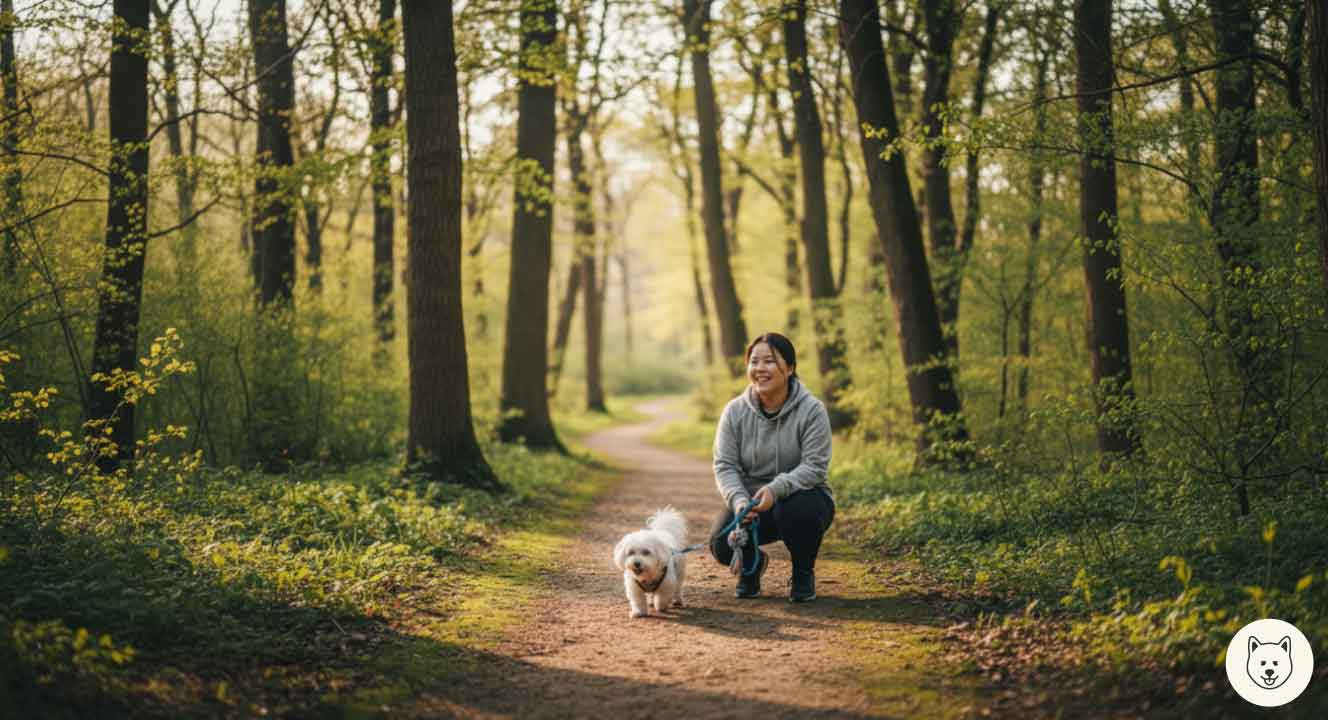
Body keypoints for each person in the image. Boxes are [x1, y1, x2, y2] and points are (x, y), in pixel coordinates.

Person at [708, 332, 835, 602]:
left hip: (802, 497)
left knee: (800, 512)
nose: (760, 369)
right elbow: (725, 464)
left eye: (769, 361)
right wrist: (740, 500)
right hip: (751, 502)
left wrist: (776, 490)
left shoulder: (812, 410)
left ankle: (802, 572)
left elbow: (815, 467)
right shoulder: (734, 411)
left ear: (789, 368)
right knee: (720, 543)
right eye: (754, 362)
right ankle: (752, 565)